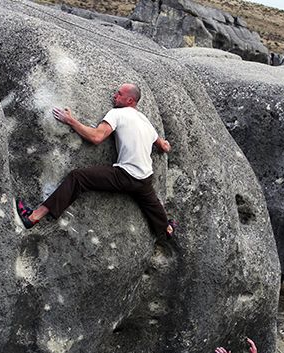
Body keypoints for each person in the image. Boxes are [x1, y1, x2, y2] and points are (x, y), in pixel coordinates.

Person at [16, 83, 177, 238]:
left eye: (119, 93)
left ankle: (33, 217)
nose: (115, 95)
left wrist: (70, 121)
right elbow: (162, 145)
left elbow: (96, 137)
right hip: (145, 178)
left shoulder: (117, 113)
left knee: (78, 177)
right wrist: (166, 146)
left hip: (125, 175)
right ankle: (166, 229)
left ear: (130, 101)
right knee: (152, 204)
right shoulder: (144, 120)